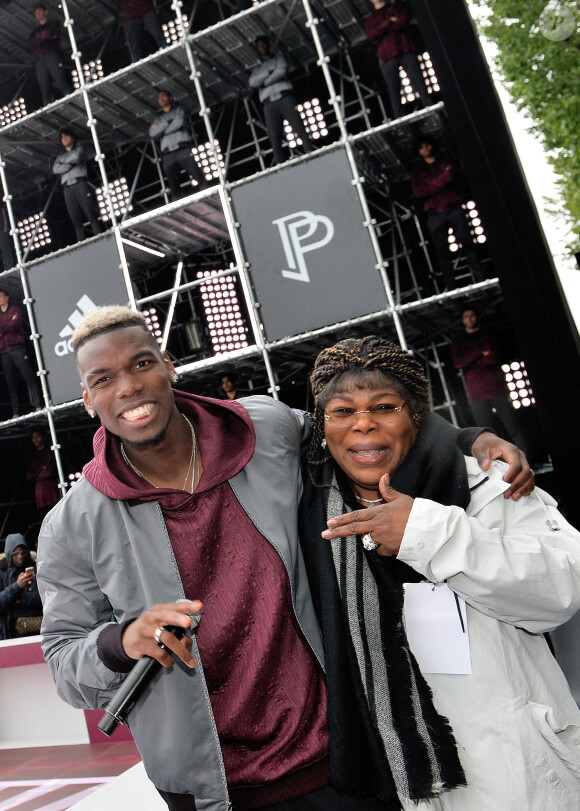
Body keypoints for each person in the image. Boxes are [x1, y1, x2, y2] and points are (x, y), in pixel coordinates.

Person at [37, 306, 532, 811]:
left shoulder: (264, 428)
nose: (127, 387)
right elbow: (64, 663)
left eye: (141, 364)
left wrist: (464, 440)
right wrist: (122, 642)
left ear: (168, 364)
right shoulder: (71, 525)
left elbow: (356, 436)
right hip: (212, 790)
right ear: (87, 400)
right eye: (103, 379)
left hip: (342, 759)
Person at [300, 335, 580, 809]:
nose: (362, 424)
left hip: (517, 775)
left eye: (383, 406)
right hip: (403, 784)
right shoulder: (307, 510)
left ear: (415, 414)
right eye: (342, 411)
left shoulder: (490, 480)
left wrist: (428, 533)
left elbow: (561, 589)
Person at [451, 306, 528, 452]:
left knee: (514, 428)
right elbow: (459, 363)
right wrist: (480, 352)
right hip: (477, 395)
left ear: (476, 317)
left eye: (472, 315)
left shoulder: (489, 334)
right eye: (466, 316)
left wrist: (472, 359)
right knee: (486, 434)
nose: (469, 319)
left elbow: (493, 357)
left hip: (497, 390)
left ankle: (528, 462)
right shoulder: (459, 341)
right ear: (462, 320)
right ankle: (498, 469)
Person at [411, 136, 485, 289]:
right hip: (434, 213)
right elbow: (418, 191)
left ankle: (480, 279)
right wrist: (440, 181)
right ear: (418, 151)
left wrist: (431, 185)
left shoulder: (445, 161)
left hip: (453, 208)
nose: (425, 149)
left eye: (427, 145)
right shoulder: (418, 172)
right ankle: (450, 287)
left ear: (432, 146)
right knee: (441, 253)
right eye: (421, 147)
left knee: (468, 244)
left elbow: (449, 176)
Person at [248, 36, 313, 166]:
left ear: (268, 44)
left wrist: (264, 82)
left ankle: (311, 156)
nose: (262, 47)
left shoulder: (279, 58)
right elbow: (252, 82)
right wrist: (269, 73)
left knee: (299, 128)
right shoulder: (257, 68)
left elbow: (281, 71)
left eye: (263, 44)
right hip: (269, 104)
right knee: (274, 137)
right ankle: (280, 166)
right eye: (259, 45)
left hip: (285, 97)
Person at [364, 0, 431, 119]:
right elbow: (372, 35)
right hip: (387, 56)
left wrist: (383, 27)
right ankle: (400, 119)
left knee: (419, 83)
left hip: (405, 49)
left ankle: (431, 109)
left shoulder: (396, 7)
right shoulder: (371, 19)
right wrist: (389, 21)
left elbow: (402, 21)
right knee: (393, 91)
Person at [149, 90, 209, 201]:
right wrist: (168, 123)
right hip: (168, 153)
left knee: (197, 175)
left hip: (183, 148)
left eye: (163, 96)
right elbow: (152, 133)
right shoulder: (158, 118)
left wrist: (162, 130)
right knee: (173, 183)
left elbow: (179, 122)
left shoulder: (179, 110)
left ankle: (209, 195)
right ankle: (177, 204)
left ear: (170, 98)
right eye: (159, 98)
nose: (161, 99)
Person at [52, 128, 103, 243]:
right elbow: (55, 169)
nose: (64, 139)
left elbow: (76, 156)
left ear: (72, 138)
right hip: (67, 187)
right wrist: (70, 165)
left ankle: (99, 238)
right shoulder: (60, 156)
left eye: (66, 136)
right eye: (62, 138)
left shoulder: (79, 148)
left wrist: (64, 165)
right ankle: (81, 242)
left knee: (90, 213)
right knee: (75, 218)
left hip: (80, 182)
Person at [0, 289, 43, 418]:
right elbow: (9, 326)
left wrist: (3, 326)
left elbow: (15, 325)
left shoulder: (15, 310)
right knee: (11, 383)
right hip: (4, 352)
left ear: (7, 297)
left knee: (29, 377)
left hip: (18, 349)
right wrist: (7, 324)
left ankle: (38, 405)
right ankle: (16, 412)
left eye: (1, 296)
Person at [27, 3, 70, 107]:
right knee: (43, 83)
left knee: (59, 77)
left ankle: (69, 96)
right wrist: (43, 36)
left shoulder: (53, 23)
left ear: (45, 12)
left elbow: (51, 34)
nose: (37, 14)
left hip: (51, 54)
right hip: (39, 59)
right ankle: (47, 105)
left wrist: (40, 38)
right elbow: (30, 43)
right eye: (36, 13)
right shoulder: (35, 31)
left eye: (39, 12)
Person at [0, 533, 42, 640]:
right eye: (15, 554)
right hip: (10, 633)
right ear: (9, 554)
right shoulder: (3, 572)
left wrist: (20, 599)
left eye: (23, 552)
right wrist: (17, 587)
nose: (20, 557)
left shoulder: (36, 568)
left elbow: (45, 597)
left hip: (37, 630)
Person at [26, 429, 60, 520]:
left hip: (51, 492)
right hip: (40, 495)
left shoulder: (50, 452)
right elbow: (29, 475)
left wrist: (37, 475)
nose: (35, 440)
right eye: (33, 438)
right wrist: (41, 471)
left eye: (37, 437)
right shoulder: (33, 456)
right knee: (45, 520)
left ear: (43, 438)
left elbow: (48, 471)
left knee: (56, 517)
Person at [0, 207, 17, 272]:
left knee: (5, 250)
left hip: (1, 229)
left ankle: (10, 270)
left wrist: (5, 229)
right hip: (2, 229)